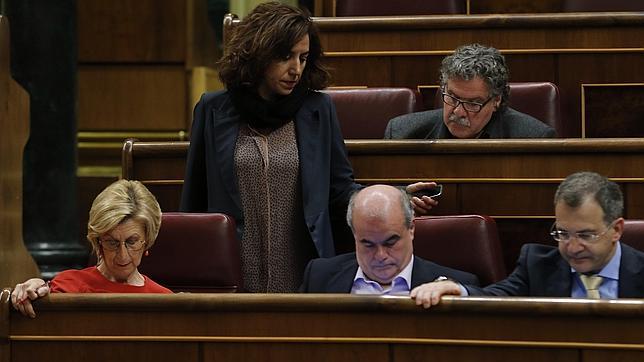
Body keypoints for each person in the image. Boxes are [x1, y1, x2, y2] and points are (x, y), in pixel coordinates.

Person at [180, 2, 437, 293]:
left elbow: (340, 190)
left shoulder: (317, 109)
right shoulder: (213, 110)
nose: (296, 69)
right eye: (286, 57)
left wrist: (394, 198)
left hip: (301, 271)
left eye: (303, 58)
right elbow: (195, 200)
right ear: (258, 54)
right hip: (232, 271)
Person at [411, 172, 644, 308]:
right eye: (563, 233)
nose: (572, 247)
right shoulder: (537, 265)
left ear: (616, 229)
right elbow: (495, 297)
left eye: (586, 235)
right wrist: (456, 289)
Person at [11, 180, 171, 318]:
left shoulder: (166, 302)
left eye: (132, 242)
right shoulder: (67, 287)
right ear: (98, 241)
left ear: (147, 241)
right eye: (112, 242)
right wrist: (32, 294)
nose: (123, 256)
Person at [299, 185, 479, 294]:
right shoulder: (319, 277)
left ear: (411, 229)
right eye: (367, 244)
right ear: (354, 235)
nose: (380, 255)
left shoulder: (457, 286)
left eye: (390, 242)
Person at [384, 43, 556, 139]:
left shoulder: (534, 138)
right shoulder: (402, 133)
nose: (458, 111)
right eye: (452, 97)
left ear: (496, 100)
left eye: (473, 103)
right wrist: (403, 196)